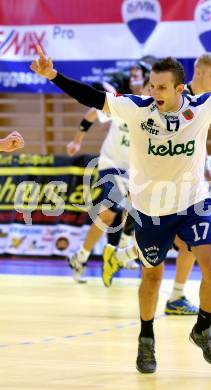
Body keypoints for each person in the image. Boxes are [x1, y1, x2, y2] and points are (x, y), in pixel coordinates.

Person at [31, 43, 211, 373]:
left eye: (161, 87)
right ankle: (146, 338)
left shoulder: (204, 105)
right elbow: (91, 98)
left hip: (193, 203)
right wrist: (53, 75)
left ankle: (203, 329)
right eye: (152, 85)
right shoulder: (137, 108)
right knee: (151, 278)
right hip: (151, 210)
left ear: (180, 88)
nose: (154, 92)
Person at [66, 72, 148, 283]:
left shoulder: (157, 116)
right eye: (150, 88)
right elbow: (92, 115)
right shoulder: (125, 105)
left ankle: (81, 255)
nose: (152, 93)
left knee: (120, 212)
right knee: (111, 211)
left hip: (134, 170)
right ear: (143, 89)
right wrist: (77, 140)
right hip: (111, 164)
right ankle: (121, 250)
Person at [165, 52, 211, 316]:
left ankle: (176, 297)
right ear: (198, 72)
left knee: (188, 245)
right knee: (175, 244)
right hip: (165, 185)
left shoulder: (205, 103)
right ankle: (122, 255)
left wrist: (208, 171)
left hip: (190, 188)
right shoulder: (176, 100)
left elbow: (198, 143)